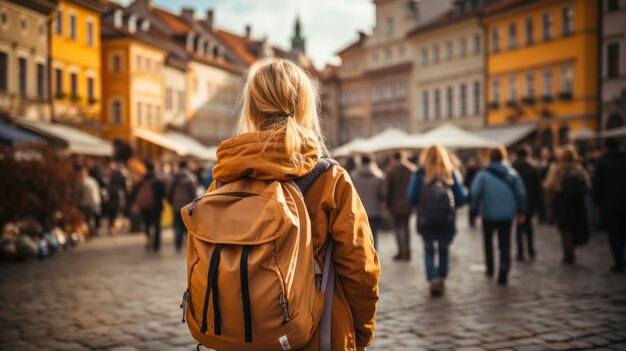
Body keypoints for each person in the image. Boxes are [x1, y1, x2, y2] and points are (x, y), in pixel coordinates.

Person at [204, 58, 380, 351]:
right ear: (304, 108)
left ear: (251, 109)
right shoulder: (329, 179)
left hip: (239, 337)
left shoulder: (224, 179)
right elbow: (361, 268)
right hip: (314, 334)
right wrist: (360, 332)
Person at [407, 144, 467, 296]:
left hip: (426, 219)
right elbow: (460, 198)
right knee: (443, 248)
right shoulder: (450, 173)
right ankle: (441, 278)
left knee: (428, 249)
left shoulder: (420, 173)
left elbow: (411, 197)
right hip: (446, 219)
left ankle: (433, 279)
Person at [470, 146, 526, 286]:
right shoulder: (512, 173)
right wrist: (521, 211)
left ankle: (490, 268)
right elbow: (521, 194)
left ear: (490, 157)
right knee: (505, 242)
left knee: (488, 242)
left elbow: (475, 193)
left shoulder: (483, 174)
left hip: (488, 214)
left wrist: (474, 211)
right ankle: (503, 268)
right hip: (507, 215)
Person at [544, 145, 591, 264]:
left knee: (565, 229)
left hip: (563, 203)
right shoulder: (579, 168)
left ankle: (568, 254)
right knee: (574, 226)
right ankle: (572, 250)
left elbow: (549, 186)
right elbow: (588, 186)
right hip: (577, 203)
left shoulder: (557, 169)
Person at [593, 139, 626, 272]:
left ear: (606, 148)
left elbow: (598, 185)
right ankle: (621, 257)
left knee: (613, 233)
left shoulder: (602, 163)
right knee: (623, 232)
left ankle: (618, 260)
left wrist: (597, 202)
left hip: (609, 203)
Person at [385, 151, 416, 260]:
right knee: (406, 227)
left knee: (398, 228)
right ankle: (407, 251)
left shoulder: (391, 170)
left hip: (395, 203)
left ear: (394, 158)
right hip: (408, 203)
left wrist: (387, 204)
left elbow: (388, 190)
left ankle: (401, 251)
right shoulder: (412, 169)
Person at [512, 145, 542, 260]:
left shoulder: (513, 167)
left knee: (519, 226)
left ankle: (520, 252)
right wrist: (537, 203)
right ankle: (530, 250)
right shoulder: (532, 168)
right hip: (530, 201)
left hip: (517, 201)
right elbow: (537, 188)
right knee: (529, 226)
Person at [350, 155, 385, 250]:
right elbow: (383, 193)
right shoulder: (379, 176)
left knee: (362, 237)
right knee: (374, 235)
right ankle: (374, 255)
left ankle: (365, 254)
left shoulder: (353, 176)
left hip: (358, 211)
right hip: (375, 210)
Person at [131, 162, 166, 252]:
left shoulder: (141, 180)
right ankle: (156, 245)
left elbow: (134, 193)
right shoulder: (157, 180)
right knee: (157, 226)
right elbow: (163, 193)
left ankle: (148, 239)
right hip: (157, 207)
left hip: (145, 206)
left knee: (146, 224)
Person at [168, 160, 197, 252]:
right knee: (186, 224)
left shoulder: (173, 177)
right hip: (187, 205)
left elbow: (170, 192)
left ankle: (178, 243)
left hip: (176, 204)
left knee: (177, 224)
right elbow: (193, 193)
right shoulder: (190, 177)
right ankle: (187, 243)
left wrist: (171, 202)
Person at [75, 166, 101, 236]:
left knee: (87, 217)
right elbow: (97, 190)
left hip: (85, 203)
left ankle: (89, 230)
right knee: (92, 216)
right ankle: (93, 229)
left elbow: (78, 194)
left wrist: (77, 203)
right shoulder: (92, 180)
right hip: (95, 201)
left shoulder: (81, 182)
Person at [104, 160, 128, 236]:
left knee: (113, 213)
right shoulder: (114, 175)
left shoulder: (113, 175)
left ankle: (113, 228)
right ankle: (113, 228)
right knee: (113, 213)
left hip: (114, 197)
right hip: (114, 197)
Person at [464, 157, 481, 228]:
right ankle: (472, 220)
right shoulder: (471, 170)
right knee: (472, 207)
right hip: (472, 191)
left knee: (474, 206)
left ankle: (474, 218)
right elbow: (466, 182)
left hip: (475, 191)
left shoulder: (480, 170)